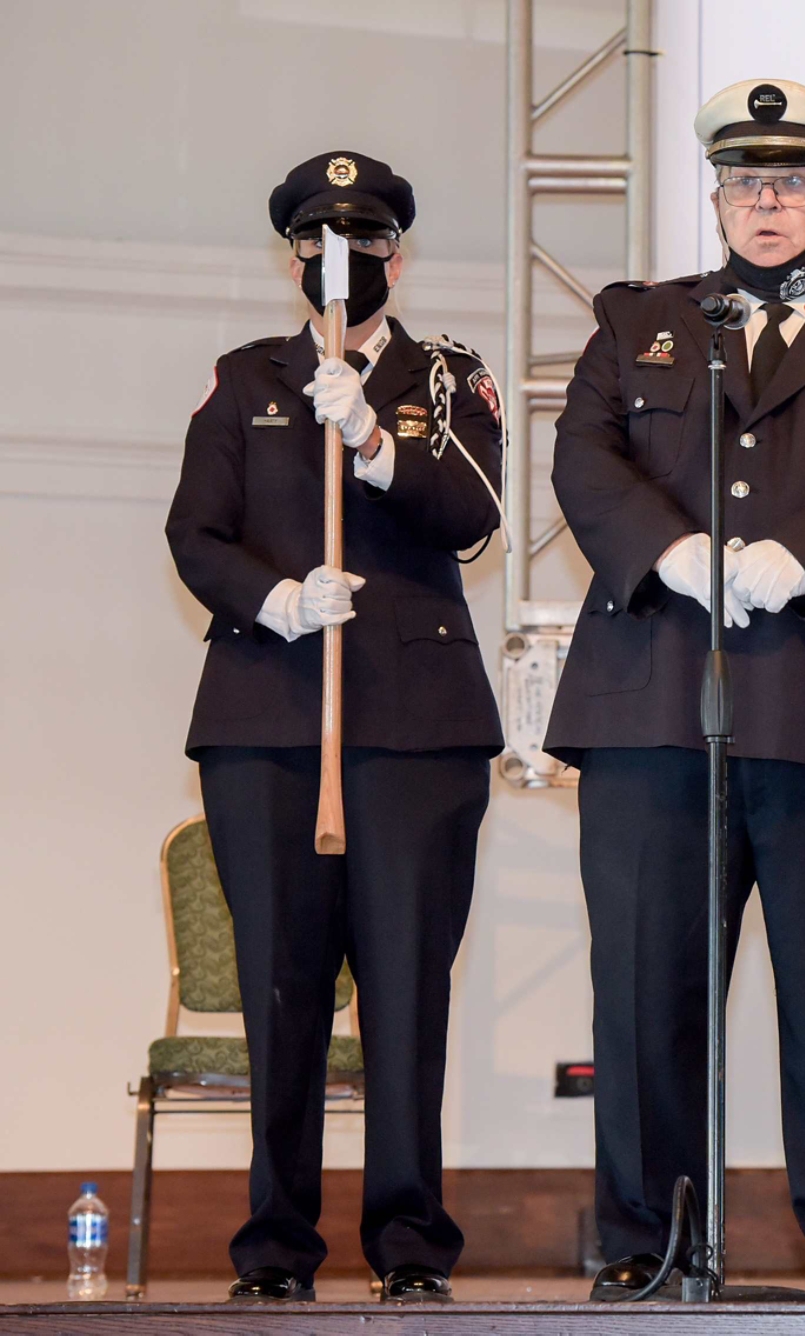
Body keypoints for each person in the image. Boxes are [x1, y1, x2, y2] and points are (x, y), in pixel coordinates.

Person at [541, 80, 805, 1304]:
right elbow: (586, 454)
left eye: (792, 183)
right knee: (644, 985)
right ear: (719, 195)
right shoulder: (641, 323)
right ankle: (648, 1235)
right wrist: (668, 550)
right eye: (746, 182)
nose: (767, 203)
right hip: (652, 703)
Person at [164, 150, 505, 1304]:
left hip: (415, 731)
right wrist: (271, 600)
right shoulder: (243, 377)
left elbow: (475, 514)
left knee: (407, 989)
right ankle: (275, 1246)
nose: (340, 262)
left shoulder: (445, 375)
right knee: (282, 984)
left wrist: (375, 442)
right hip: (268, 720)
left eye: (363, 244)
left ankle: (410, 1246)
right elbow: (195, 534)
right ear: (296, 258)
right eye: (319, 244)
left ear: (396, 258)